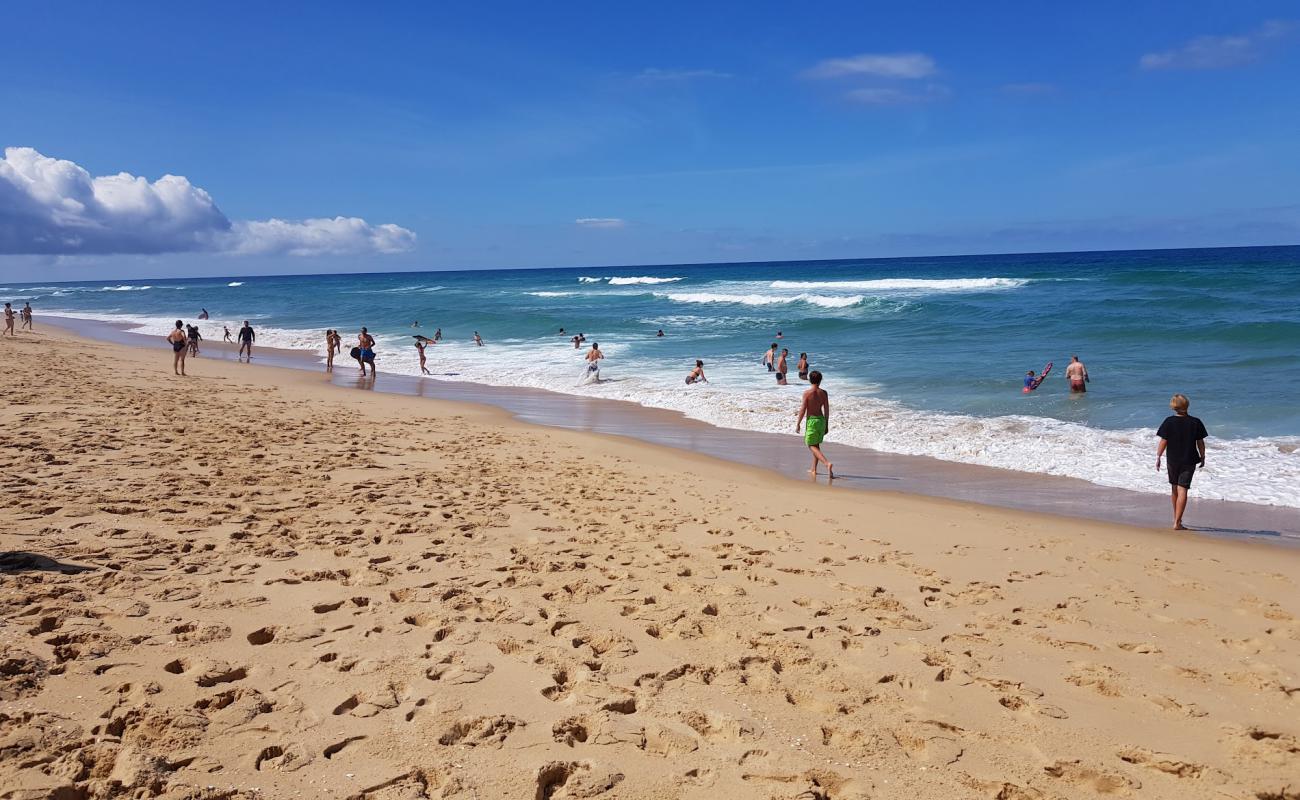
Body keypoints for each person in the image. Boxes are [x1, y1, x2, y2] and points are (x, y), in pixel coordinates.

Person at [1156, 394, 1208, 531]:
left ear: (1173, 407)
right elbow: (1200, 442)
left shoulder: (1169, 421)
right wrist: (1203, 456)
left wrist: (1158, 457)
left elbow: (1163, 441)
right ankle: (1177, 522)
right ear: (1187, 405)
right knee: (1183, 489)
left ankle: (1176, 519)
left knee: (1174, 488)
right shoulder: (1195, 422)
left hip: (1172, 459)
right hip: (1189, 459)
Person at [796, 370, 833, 478]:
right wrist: (826, 424)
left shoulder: (807, 393)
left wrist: (798, 423)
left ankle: (827, 463)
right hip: (821, 420)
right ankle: (814, 469)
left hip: (812, 421)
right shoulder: (824, 393)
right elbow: (827, 410)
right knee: (816, 444)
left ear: (810, 380)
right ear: (820, 380)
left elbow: (803, 409)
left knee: (810, 444)